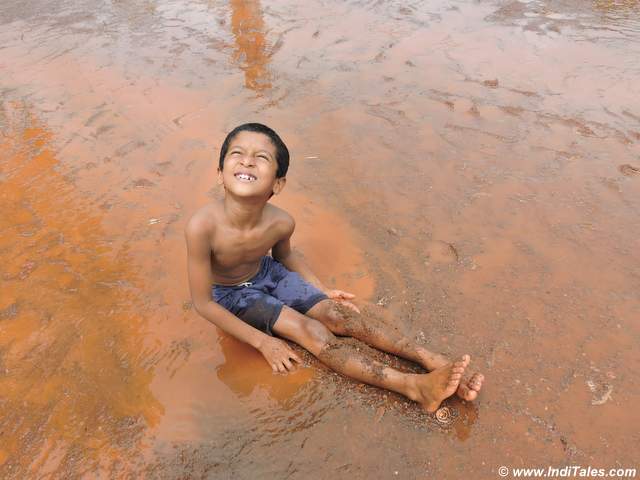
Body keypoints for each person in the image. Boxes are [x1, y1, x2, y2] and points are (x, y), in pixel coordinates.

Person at [184, 123, 484, 413]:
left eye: (261, 157)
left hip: (267, 272)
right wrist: (263, 342)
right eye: (237, 154)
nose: (247, 161)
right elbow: (203, 303)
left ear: (278, 183)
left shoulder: (281, 221)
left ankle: (430, 359)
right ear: (220, 172)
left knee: (337, 316)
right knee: (312, 330)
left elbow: (286, 256)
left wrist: (321, 289)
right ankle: (413, 386)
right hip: (232, 294)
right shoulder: (202, 227)